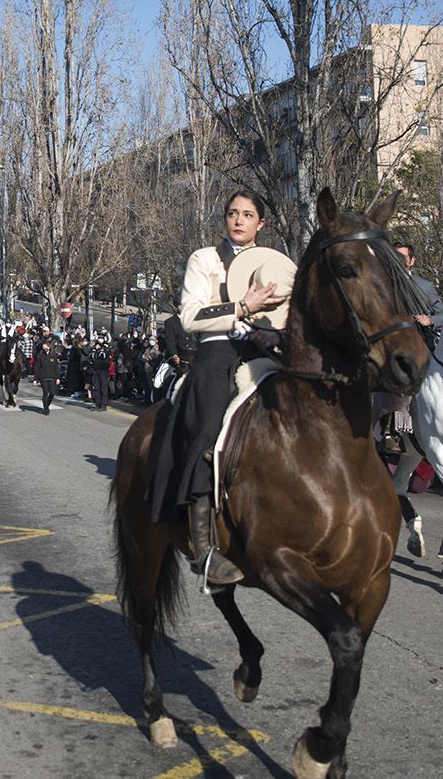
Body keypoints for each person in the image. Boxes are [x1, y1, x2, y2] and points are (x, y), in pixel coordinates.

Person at [146, 189, 292, 588]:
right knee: (208, 425)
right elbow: (190, 316)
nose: (239, 220)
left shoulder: (275, 264)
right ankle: (202, 547)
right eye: (232, 213)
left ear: (261, 223)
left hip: (265, 349)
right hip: (218, 352)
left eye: (248, 215)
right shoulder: (204, 259)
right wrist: (242, 306)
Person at [35, 334, 61, 415]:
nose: (45, 348)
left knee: (52, 393)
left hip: (52, 377)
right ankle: (46, 409)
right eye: (43, 347)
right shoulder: (40, 356)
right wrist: (36, 379)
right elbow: (37, 368)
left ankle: (47, 405)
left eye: (46, 346)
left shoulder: (53, 356)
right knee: (45, 392)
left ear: (49, 347)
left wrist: (58, 378)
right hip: (43, 377)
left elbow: (56, 367)